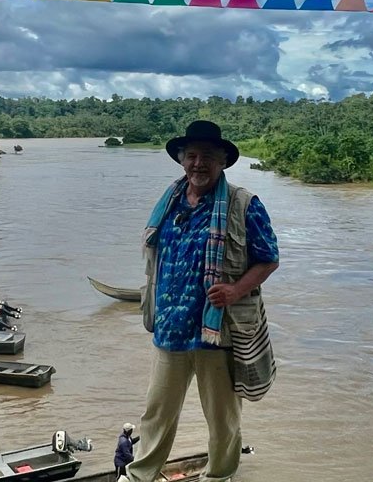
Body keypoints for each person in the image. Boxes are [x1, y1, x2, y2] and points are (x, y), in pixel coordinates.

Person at [125, 120, 280, 482]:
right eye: (191, 155)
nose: (198, 164)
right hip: (170, 330)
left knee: (222, 418)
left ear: (223, 161)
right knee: (156, 414)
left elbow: (269, 258)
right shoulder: (169, 201)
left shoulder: (245, 205)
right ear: (181, 160)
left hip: (217, 332)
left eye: (207, 156)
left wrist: (237, 290)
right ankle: (139, 476)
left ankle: (219, 476)